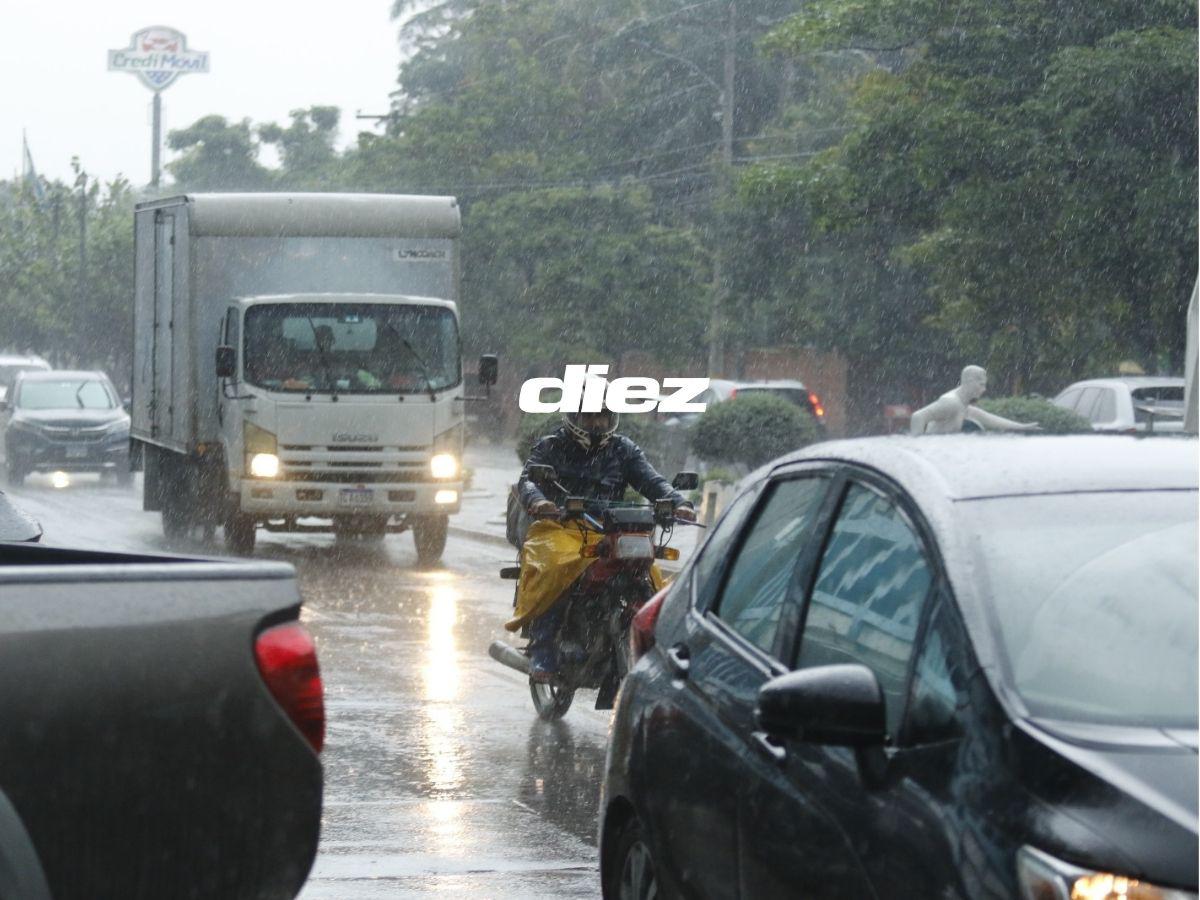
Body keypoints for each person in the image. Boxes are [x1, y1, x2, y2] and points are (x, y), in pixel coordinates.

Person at [516, 408, 695, 681]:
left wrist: (679, 503)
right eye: (589, 416)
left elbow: (652, 480)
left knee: (652, 579)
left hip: (610, 529)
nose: (597, 423)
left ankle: (661, 650)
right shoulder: (551, 446)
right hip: (561, 526)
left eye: (603, 416)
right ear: (573, 418)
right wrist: (539, 501)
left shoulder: (623, 449)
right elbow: (528, 480)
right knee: (556, 567)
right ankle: (543, 648)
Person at [910, 365, 1039, 435]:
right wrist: (919, 450)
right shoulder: (951, 403)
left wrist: (1022, 426)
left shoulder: (963, 405)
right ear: (970, 382)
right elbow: (918, 416)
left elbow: (989, 419)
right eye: (981, 384)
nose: (984, 389)